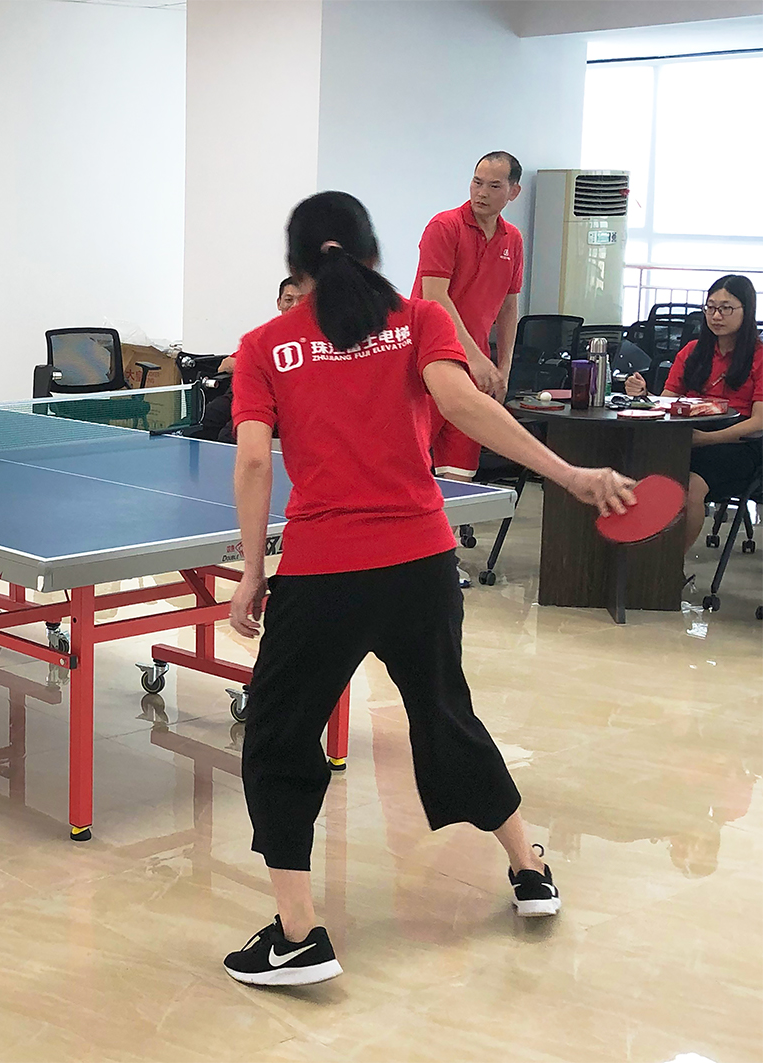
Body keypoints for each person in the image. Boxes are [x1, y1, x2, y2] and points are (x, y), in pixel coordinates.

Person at [221, 191, 635, 987]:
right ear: (374, 252)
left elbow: (249, 463)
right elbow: (463, 405)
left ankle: (297, 934)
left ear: (295, 265)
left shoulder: (264, 345)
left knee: (277, 737)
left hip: (322, 573)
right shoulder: (418, 319)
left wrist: (249, 569)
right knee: (445, 715)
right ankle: (528, 868)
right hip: (420, 564)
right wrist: (568, 474)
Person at [623, 275, 763, 550]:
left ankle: (670, 567)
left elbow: (759, 422)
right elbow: (666, 403)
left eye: (726, 308)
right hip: (690, 437)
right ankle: (641, 560)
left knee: (690, 486)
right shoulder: (692, 352)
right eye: (710, 307)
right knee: (637, 470)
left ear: (746, 311)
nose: (716, 316)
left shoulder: (759, 356)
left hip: (741, 445)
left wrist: (707, 439)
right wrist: (644, 396)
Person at [192, 278, 306, 443]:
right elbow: (225, 365)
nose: (295, 306)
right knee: (200, 422)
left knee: (228, 436)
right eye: (289, 300)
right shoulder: (266, 336)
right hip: (242, 393)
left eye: (301, 300)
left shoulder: (315, 339)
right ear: (279, 303)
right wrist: (262, 367)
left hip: (280, 404)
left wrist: (260, 366)